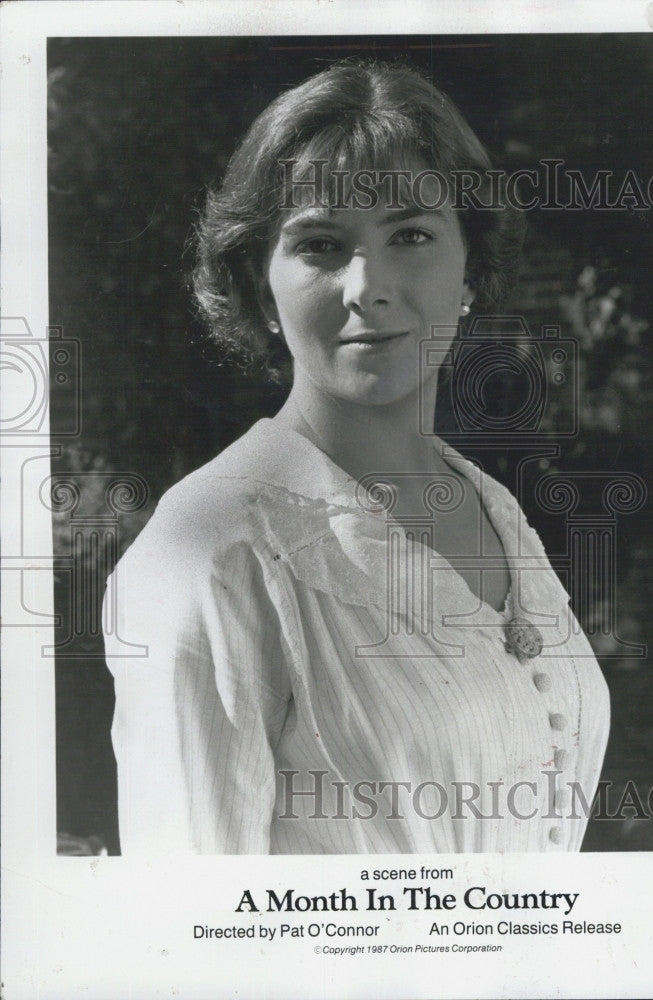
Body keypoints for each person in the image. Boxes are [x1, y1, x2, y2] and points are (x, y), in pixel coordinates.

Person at [103, 58, 610, 855]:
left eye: (410, 234)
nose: (366, 284)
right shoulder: (210, 550)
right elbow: (190, 926)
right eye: (321, 245)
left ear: (469, 266)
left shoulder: (491, 507)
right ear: (257, 284)